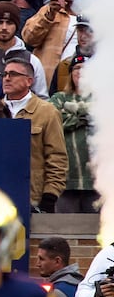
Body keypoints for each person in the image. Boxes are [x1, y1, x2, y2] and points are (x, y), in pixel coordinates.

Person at [0, 50, 66, 214]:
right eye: (5, 73)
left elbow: (57, 158)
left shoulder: (47, 112)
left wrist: (50, 196)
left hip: (32, 199)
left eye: (13, 74)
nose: (7, 78)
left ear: (29, 81)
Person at [49, 56, 95, 213]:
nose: (80, 72)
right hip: (66, 178)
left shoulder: (102, 99)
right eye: (76, 68)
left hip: (96, 179)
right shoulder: (59, 97)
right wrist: (86, 116)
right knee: (66, 229)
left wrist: (71, 112)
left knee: (99, 233)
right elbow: (54, 122)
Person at [0, 3, 47, 97]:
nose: (4, 27)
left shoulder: (31, 60)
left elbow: (42, 97)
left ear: (17, 26)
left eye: (9, 23)